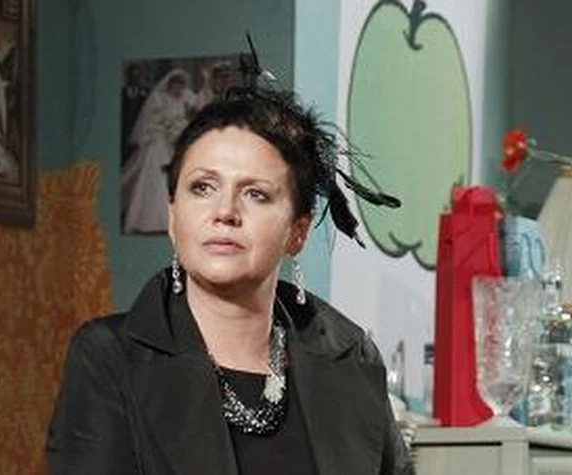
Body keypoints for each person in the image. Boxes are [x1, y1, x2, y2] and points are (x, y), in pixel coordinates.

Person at [46, 85, 412, 474]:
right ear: (173, 216)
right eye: (203, 187)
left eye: (256, 194)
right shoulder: (109, 357)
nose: (225, 212)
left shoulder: (352, 358)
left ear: (297, 232)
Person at [120, 68, 195, 234]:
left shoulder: (184, 101)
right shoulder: (158, 99)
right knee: (157, 176)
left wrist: (178, 130)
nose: (179, 88)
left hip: (175, 142)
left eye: (182, 85)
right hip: (159, 141)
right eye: (176, 84)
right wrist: (165, 130)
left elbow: (185, 119)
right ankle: (150, 219)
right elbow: (151, 121)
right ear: (170, 84)